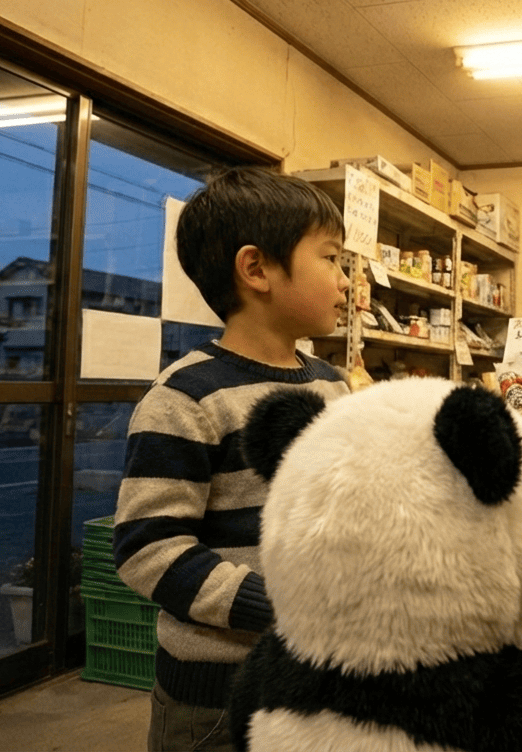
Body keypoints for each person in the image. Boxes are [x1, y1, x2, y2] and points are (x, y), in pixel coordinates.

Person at [112, 167, 351, 751]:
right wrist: (279, 608)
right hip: (217, 698)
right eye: (331, 259)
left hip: (323, 679)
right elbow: (148, 549)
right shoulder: (186, 397)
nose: (346, 283)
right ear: (257, 269)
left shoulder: (333, 386)